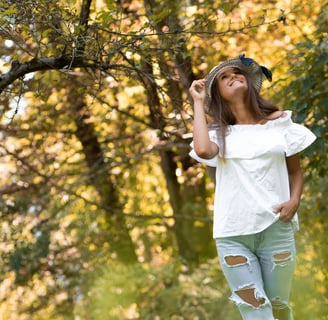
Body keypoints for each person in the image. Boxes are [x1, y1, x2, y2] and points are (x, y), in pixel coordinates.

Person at [188, 54, 316, 320]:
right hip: (233, 236)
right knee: (256, 311)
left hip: (276, 230)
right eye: (224, 77)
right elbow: (202, 150)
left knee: (279, 308)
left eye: (237, 73)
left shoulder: (279, 124)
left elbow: (295, 170)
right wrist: (199, 102)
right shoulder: (218, 135)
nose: (233, 76)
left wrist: (294, 201)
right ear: (219, 95)